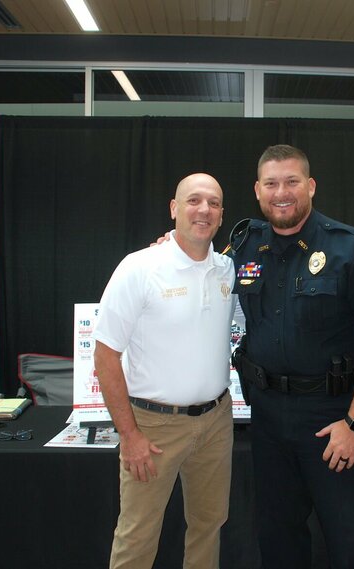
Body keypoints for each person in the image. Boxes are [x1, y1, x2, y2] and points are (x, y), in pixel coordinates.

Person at [229, 144, 354, 568]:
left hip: (331, 421)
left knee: (353, 545)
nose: (281, 192)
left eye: (291, 182)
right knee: (278, 542)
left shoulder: (352, 250)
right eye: (271, 183)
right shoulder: (244, 247)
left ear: (310, 186)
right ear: (257, 190)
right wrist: (169, 244)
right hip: (268, 419)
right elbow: (198, 267)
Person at [93, 173, 236, 569]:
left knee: (209, 526)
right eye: (193, 201)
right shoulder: (139, 268)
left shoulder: (228, 270)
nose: (203, 209)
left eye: (213, 202)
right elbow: (105, 358)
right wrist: (129, 435)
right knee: (138, 534)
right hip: (152, 428)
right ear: (174, 209)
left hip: (216, 422)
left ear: (222, 215)